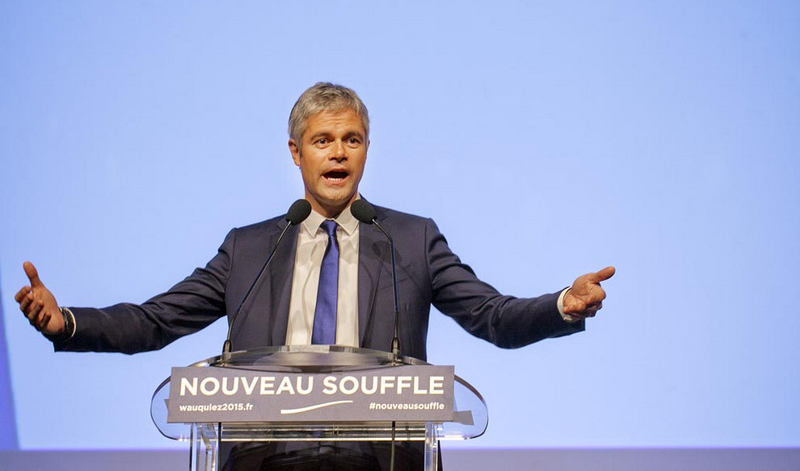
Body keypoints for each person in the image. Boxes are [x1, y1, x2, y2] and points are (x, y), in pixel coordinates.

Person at [15, 82, 614, 469]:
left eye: (351, 140)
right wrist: (66, 322)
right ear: (296, 154)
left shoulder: (409, 239)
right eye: (322, 140)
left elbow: (492, 316)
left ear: (367, 151)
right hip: (264, 456)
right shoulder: (251, 249)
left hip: (376, 456)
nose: (338, 152)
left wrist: (563, 302)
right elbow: (154, 321)